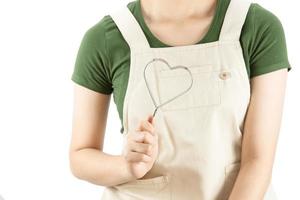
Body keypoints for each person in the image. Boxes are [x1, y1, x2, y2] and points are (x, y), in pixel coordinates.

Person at [69, 0, 291, 199]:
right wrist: (126, 166)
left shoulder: (256, 27)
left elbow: (258, 160)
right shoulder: (105, 39)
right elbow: (80, 156)